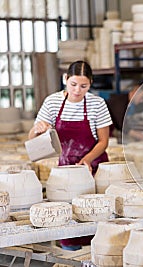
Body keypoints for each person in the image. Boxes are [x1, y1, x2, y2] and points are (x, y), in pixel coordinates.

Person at [28, 60, 112, 250]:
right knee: (68, 225)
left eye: (84, 86)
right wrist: (37, 129)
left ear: (90, 83)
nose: (77, 90)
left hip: (93, 167)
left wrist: (87, 160)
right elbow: (32, 140)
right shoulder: (53, 102)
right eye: (73, 84)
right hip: (65, 171)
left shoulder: (97, 104)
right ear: (65, 79)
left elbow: (103, 142)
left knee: (95, 222)